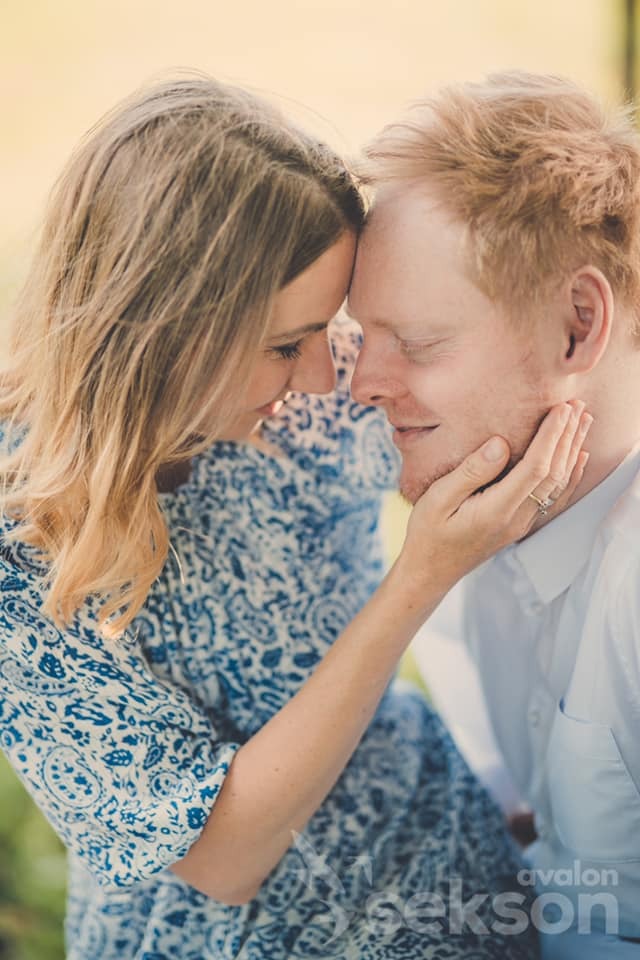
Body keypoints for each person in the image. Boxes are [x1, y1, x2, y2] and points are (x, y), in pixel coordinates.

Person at [0, 75, 586, 960]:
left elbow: (533, 411)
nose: (326, 377)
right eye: (284, 346)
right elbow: (222, 857)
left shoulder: (311, 392)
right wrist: (421, 576)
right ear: (162, 330)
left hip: (454, 890)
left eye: (328, 330)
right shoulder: (22, 542)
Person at [348, 70, 640, 958]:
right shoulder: (481, 517)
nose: (364, 386)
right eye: (363, 337)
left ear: (576, 324)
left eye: (418, 342)